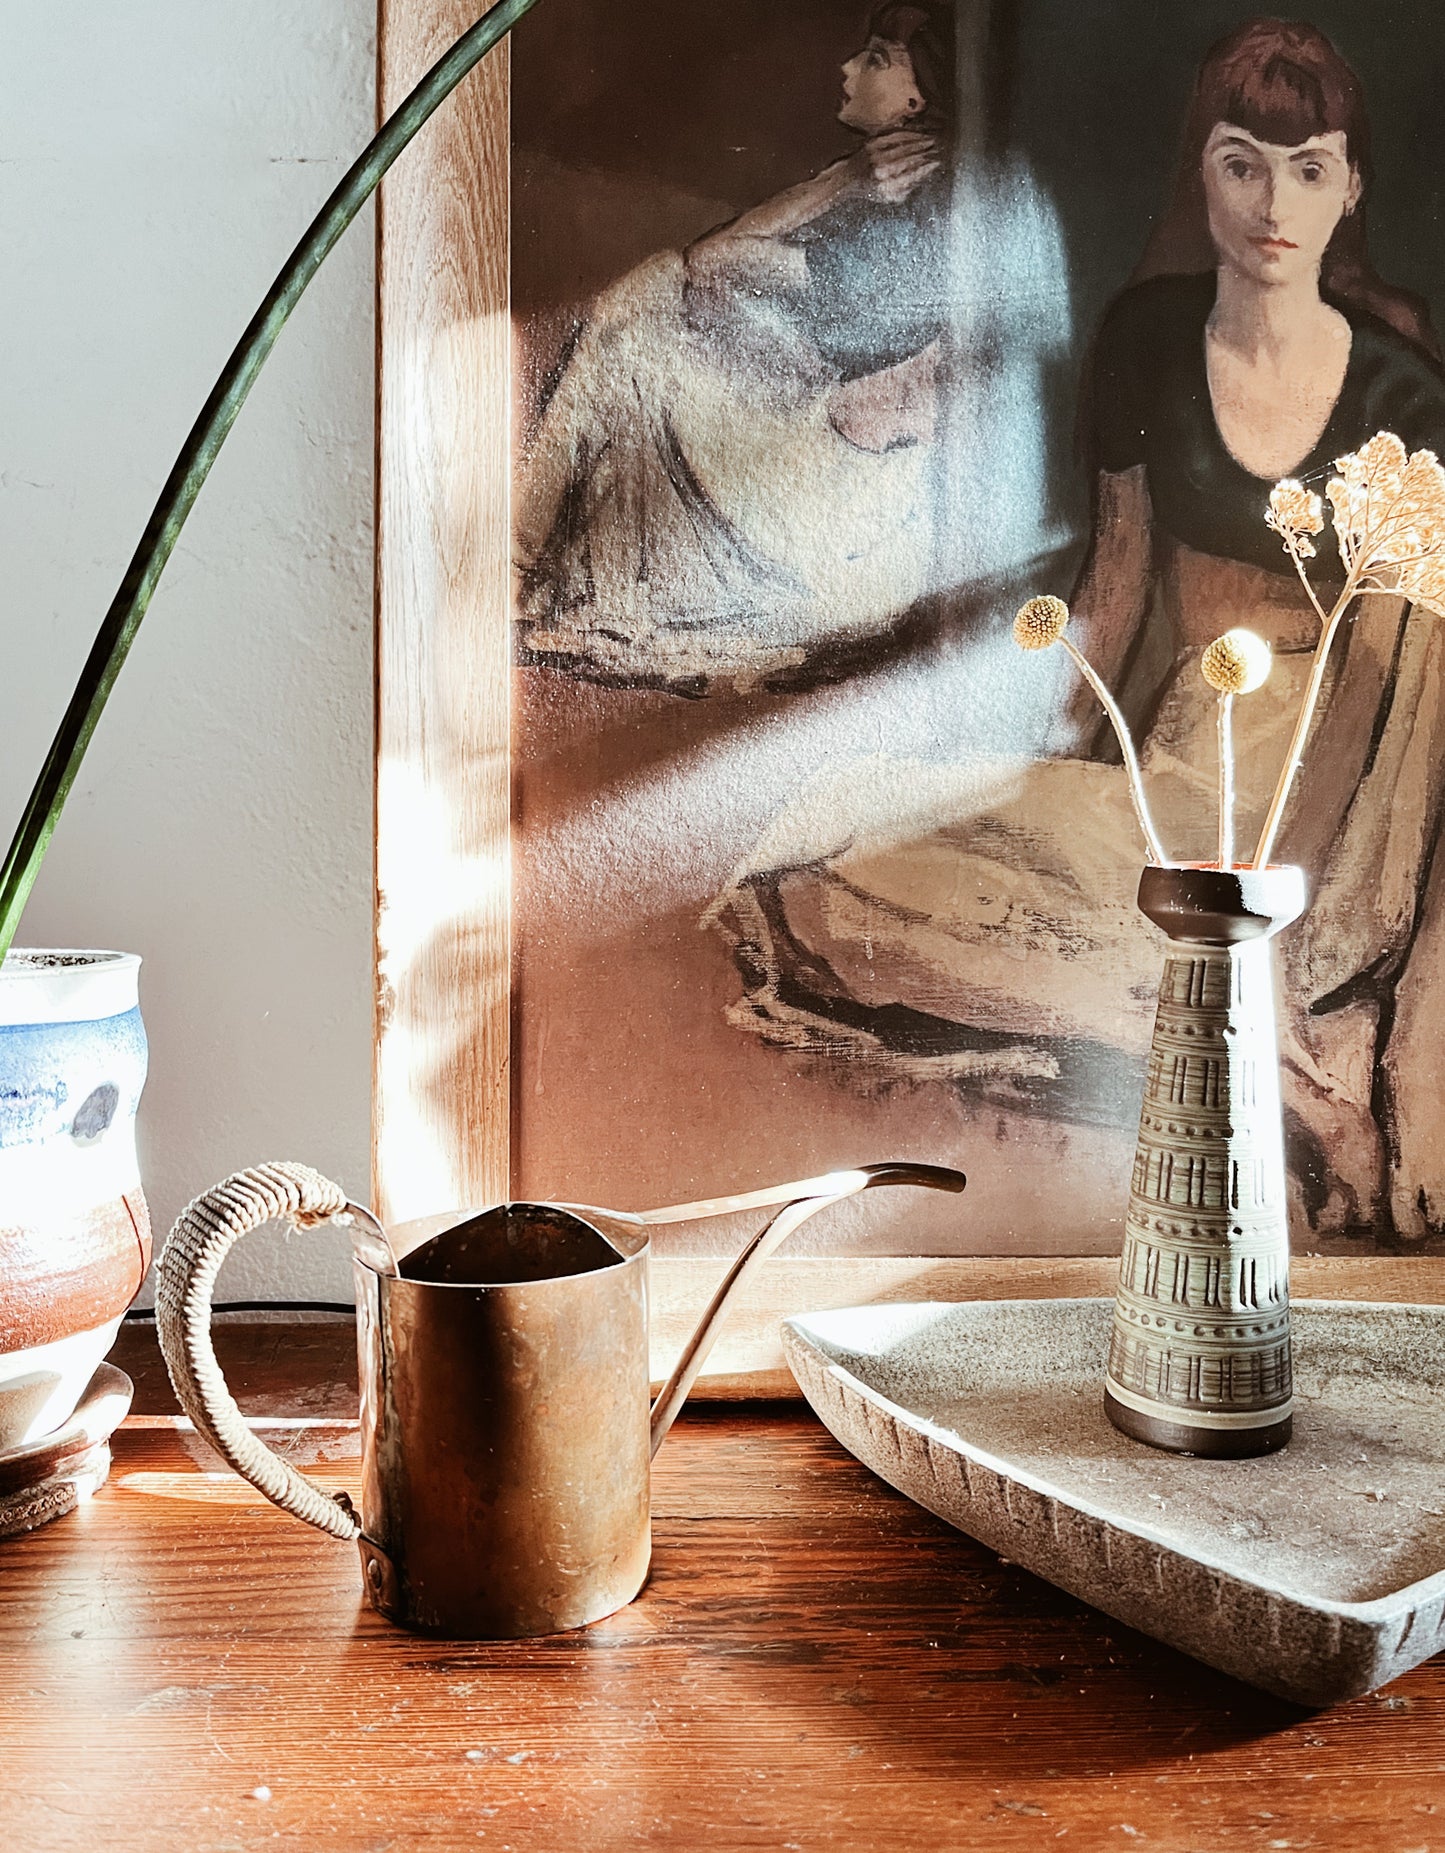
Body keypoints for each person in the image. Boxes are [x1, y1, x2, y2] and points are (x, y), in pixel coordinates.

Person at [710, 18, 1445, 1240]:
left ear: (1348, 185)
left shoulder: (1402, 396)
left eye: (1306, 167)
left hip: (1336, 803)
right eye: (1238, 162)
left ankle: (1292, 1034)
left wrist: (1288, 900)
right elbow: (1110, 591)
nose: (1272, 203)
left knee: (1157, 916)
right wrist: (1022, 770)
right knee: (822, 864)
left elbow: (1383, 685)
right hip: (1178, 757)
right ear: (1197, 170)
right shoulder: (1147, 340)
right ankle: (1277, 1052)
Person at [515, 5, 957, 694]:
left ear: (915, 99)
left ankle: (519, 558)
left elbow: (712, 260)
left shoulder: (902, 234)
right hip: (818, 487)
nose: (844, 70)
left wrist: (840, 181)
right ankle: (530, 559)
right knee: (646, 313)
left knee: (643, 302)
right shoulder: (905, 207)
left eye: (873, 58)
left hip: (830, 531)